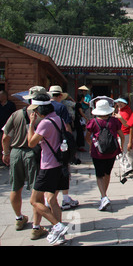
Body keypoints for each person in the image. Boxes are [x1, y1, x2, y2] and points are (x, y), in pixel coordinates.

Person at [1, 86, 47, 240]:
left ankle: (19, 219)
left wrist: (6, 153)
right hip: (34, 153)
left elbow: (5, 136)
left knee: (15, 187)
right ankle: (36, 227)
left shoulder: (16, 114)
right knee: (37, 190)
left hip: (16, 152)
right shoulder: (42, 116)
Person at [27, 93, 70, 245]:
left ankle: (58, 226)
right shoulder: (57, 118)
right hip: (59, 164)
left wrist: (31, 124)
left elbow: (31, 143)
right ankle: (60, 236)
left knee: (34, 200)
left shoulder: (44, 123)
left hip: (48, 166)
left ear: (39, 109)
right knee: (52, 200)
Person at [85, 99, 124, 211]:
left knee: (99, 175)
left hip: (97, 152)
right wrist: (120, 146)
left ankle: (103, 196)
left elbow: (87, 137)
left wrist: (92, 145)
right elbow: (121, 135)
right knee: (107, 173)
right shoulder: (114, 121)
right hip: (112, 151)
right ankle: (104, 195)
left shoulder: (93, 122)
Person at [48, 85, 78, 211]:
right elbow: (67, 126)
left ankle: (47, 200)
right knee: (64, 170)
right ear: (60, 95)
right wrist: (70, 141)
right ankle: (65, 199)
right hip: (60, 142)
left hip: (46, 142)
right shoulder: (61, 107)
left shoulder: (43, 107)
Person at [114, 96, 133, 176]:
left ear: (126, 103)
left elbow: (127, 125)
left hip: (124, 134)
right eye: (118, 102)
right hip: (125, 134)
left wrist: (120, 117)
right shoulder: (123, 110)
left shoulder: (126, 112)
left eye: (121, 102)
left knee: (120, 152)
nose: (119, 104)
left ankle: (127, 168)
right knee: (129, 152)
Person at [0, 90, 16, 156]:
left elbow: (13, 115)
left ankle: (8, 159)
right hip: (0, 127)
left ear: (4, 96)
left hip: (8, 128)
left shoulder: (11, 105)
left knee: (8, 144)